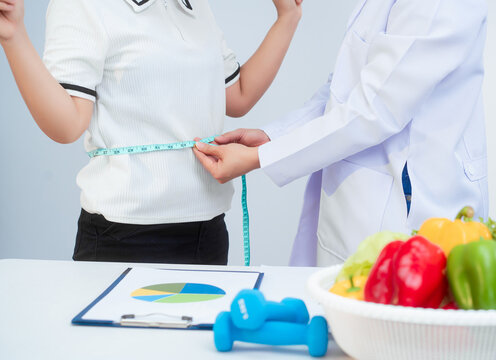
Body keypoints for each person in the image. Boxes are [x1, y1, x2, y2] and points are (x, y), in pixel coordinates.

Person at [0, 0, 302, 264]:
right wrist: (14, 37)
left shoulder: (195, 5)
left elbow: (238, 94)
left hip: (207, 229)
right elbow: (67, 125)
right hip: (125, 234)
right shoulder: (84, 5)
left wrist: (287, 17)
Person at [193, 0, 490, 266]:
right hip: (358, 204)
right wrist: (273, 137)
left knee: (401, 321)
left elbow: (375, 108)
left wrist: (261, 156)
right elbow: (346, 89)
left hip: (413, 209)